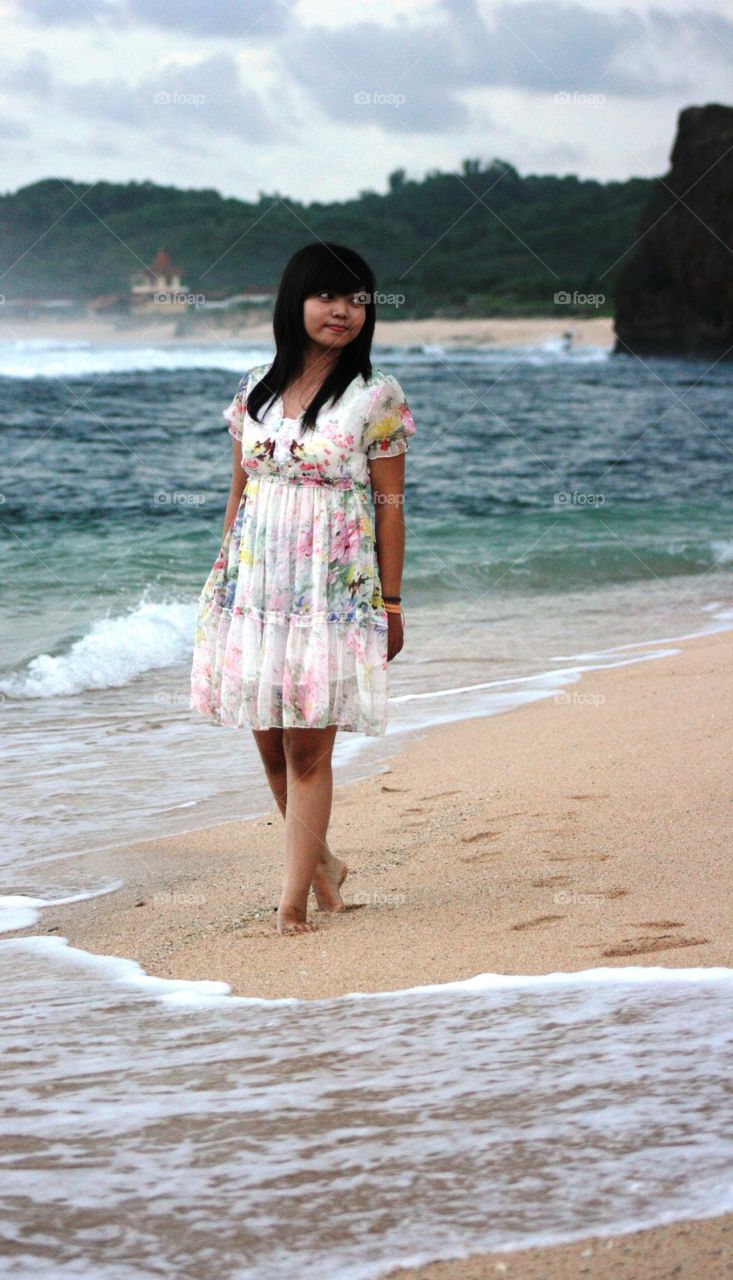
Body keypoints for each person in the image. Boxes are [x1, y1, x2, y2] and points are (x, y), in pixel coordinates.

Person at [190, 242, 416, 936]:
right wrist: (222, 577)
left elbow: (389, 505)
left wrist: (392, 601)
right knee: (266, 744)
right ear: (295, 303)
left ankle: (293, 903)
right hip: (254, 586)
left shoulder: (376, 396)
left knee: (306, 750)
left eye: (355, 299)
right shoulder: (254, 385)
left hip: (332, 591)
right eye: (326, 296)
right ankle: (323, 863)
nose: (341, 311)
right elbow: (240, 484)